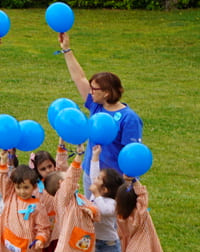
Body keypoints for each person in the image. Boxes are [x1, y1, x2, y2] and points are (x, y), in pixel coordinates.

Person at [57, 31, 143, 173]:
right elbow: (79, 78)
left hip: (114, 180)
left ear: (106, 93)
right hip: (91, 174)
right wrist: (66, 49)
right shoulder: (96, 106)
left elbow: (133, 155)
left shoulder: (129, 118)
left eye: (94, 89)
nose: (90, 92)